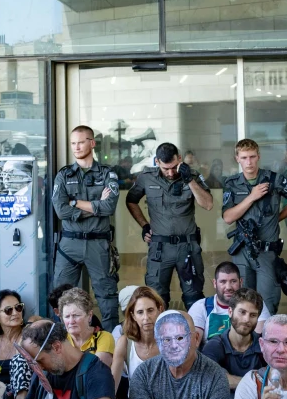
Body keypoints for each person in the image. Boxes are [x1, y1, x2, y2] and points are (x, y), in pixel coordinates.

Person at [125, 142, 213, 309]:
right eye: (166, 169)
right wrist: (144, 225)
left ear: (179, 159)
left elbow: (208, 204)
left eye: (174, 167)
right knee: (156, 298)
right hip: (160, 247)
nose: (171, 173)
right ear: (157, 162)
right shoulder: (146, 177)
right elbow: (131, 200)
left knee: (193, 296)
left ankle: (196, 333)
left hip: (187, 247)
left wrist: (190, 181)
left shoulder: (192, 175)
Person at [52, 125, 122, 329]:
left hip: (98, 244)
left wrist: (74, 202)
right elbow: (61, 211)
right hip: (69, 244)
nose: (76, 147)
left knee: (107, 297)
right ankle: (63, 343)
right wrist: (94, 206)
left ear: (92, 143)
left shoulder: (108, 174)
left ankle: (110, 345)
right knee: (61, 297)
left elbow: (108, 207)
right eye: (73, 143)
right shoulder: (64, 175)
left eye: (81, 142)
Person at [222, 139, 287, 314]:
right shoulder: (232, 183)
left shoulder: (275, 179)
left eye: (252, 157)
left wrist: (277, 218)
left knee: (267, 305)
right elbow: (228, 218)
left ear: (258, 156)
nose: (249, 162)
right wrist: (251, 197)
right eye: (244, 157)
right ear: (237, 158)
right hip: (242, 251)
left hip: (267, 252)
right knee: (242, 304)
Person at [127, 311, 231, 399]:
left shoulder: (215, 376)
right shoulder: (144, 373)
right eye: (166, 340)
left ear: (196, 339)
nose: (174, 346)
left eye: (180, 338)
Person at [19, 320, 117, 399]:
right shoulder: (42, 371)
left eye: (40, 361)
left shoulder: (97, 374)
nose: (39, 368)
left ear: (56, 347)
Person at [201, 288, 267, 390]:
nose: (246, 319)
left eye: (253, 315)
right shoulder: (214, 346)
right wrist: (257, 382)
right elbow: (211, 379)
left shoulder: (264, 346)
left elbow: (276, 378)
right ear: (230, 312)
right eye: (242, 312)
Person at [189, 261, 273, 339]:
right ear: (215, 283)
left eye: (233, 281)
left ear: (241, 282)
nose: (228, 287)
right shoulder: (201, 306)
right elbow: (193, 343)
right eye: (223, 282)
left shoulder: (254, 303)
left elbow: (258, 341)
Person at [111, 285, 163, 388]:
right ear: (133, 316)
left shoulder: (171, 341)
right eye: (140, 312)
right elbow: (112, 387)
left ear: (159, 310)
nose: (146, 317)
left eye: (150, 310)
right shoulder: (125, 343)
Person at [59, 287, 115, 368]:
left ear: (89, 315)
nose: (71, 321)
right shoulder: (60, 340)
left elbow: (96, 370)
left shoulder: (103, 337)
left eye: (76, 315)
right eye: (67, 316)